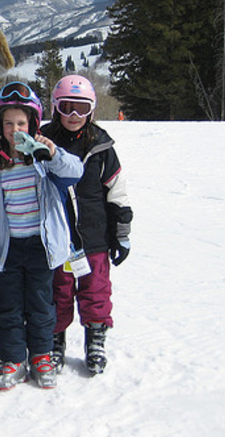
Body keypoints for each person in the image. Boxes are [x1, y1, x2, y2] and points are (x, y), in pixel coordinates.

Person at [0, 83, 83, 391]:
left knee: (40, 305)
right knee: (7, 306)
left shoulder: (44, 160)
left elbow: (76, 171)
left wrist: (50, 152)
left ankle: (41, 356)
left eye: (21, 123)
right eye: (8, 123)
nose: (14, 129)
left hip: (41, 246)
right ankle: (13, 359)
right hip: (8, 248)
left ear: (33, 124)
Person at [40, 75, 133, 375]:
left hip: (93, 239)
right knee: (58, 292)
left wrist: (121, 233)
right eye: (67, 108)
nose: (74, 116)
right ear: (55, 108)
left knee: (96, 292)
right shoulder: (44, 141)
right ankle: (55, 341)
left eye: (81, 109)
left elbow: (117, 192)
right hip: (57, 238)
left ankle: (95, 340)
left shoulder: (102, 147)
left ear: (92, 111)